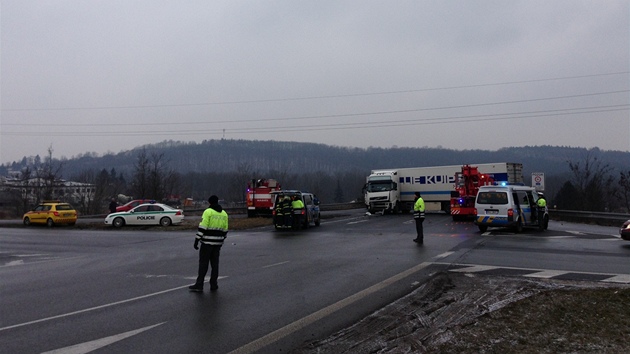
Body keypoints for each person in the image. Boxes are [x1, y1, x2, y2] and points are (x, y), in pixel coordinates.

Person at [189, 195, 229, 292]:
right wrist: (221, 239)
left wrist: (197, 239)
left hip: (207, 242)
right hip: (218, 243)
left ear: (210, 202)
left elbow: (203, 226)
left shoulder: (208, 212)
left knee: (203, 264)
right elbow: (225, 229)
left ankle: (199, 284)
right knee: (215, 264)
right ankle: (214, 284)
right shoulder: (224, 213)